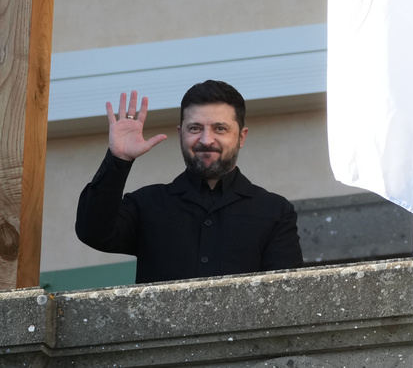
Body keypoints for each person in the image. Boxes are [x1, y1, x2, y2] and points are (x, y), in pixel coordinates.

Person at [76, 80, 303, 283]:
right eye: (195, 128)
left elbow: (286, 295)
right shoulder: (146, 204)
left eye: (220, 129)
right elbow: (93, 233)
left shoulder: (276, 212)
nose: (206, 140)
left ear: (241, 137)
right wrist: (118, 159)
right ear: (180, 134)